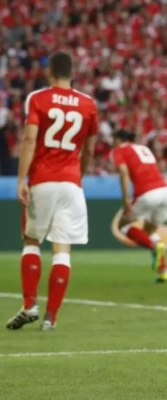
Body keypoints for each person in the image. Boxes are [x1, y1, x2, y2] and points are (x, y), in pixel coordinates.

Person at [6, 52, 98, 331]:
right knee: (62, 248)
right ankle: (51, 317)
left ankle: (29, 304)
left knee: (32, 240)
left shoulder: (38, 98)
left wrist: (21, 179)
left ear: (50, 73)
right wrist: (77, 176)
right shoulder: (89, 103)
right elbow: (89, 150)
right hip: (72, 183)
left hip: (43, 179)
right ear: (72, 73)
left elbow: (30, 139)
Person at [111, 129, 167, 283]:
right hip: (165, 191)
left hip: (147, 193)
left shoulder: (119, 150)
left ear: (118, 139)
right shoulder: (143, 148)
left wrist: (126, 198)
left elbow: (123, 172)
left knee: (123, 225)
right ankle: (163, 271)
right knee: (150, 231)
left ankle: (153, 247)